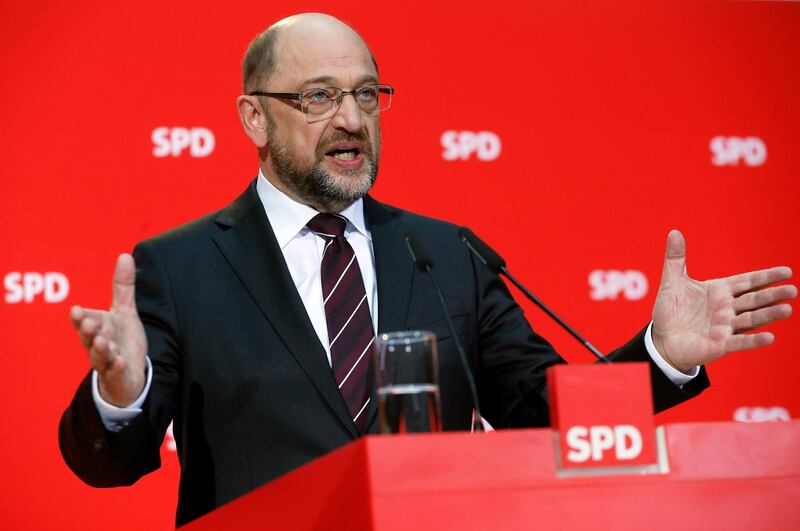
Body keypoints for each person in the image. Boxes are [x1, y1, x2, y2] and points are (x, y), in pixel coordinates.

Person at [59, 13, 796, 527]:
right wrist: (122, 395)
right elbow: (110, 463)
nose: (351, 118)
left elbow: (542, 416)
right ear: (255, 118)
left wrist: (661, 356)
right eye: (319, 97)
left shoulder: (447, 253)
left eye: (366, 94)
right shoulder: (182, 266)